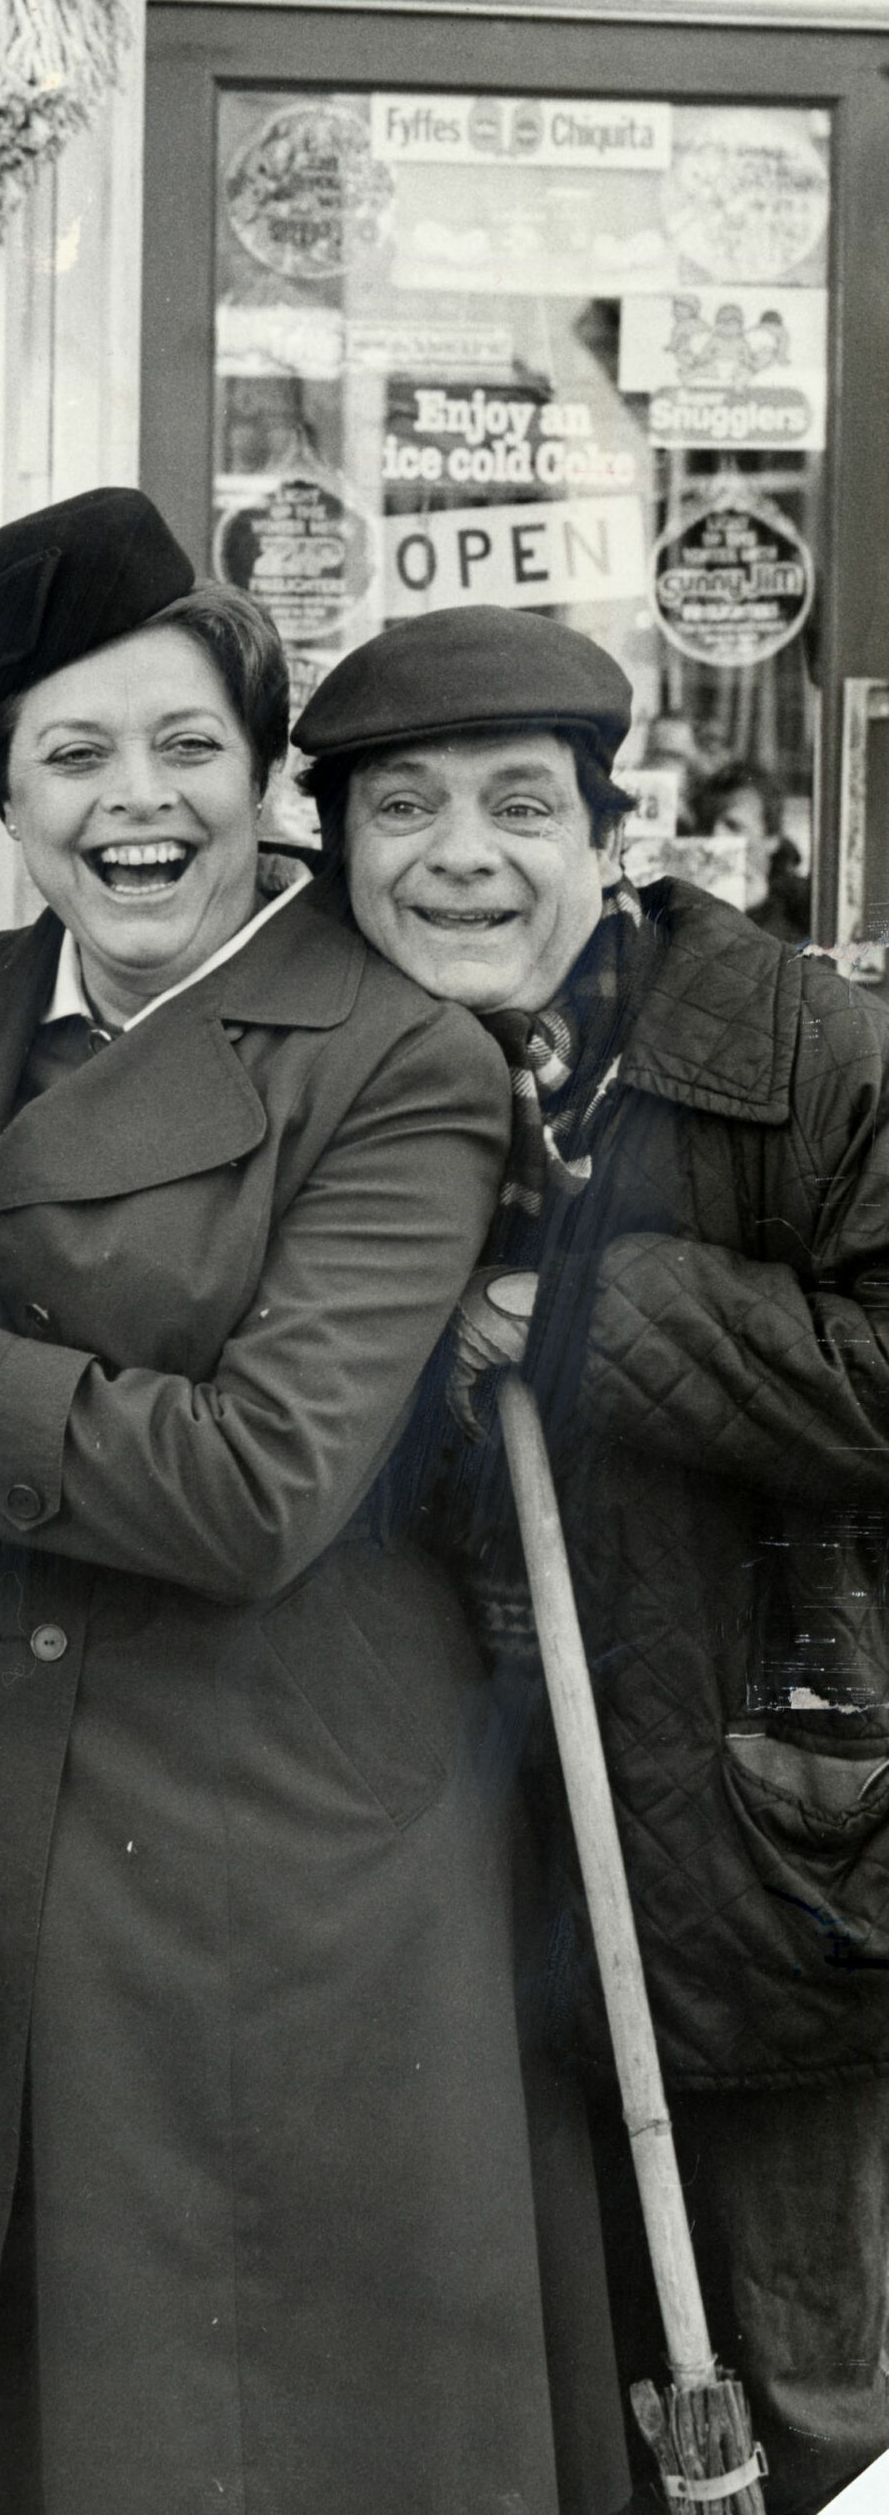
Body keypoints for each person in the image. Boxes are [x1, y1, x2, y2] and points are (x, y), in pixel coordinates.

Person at [0, 490, 631, 2515]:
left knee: (248, 2422)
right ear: (1, 795)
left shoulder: (396, 1058)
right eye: (75, 753)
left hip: (272, 1852)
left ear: (257, 773)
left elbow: (257, 1483)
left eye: (188, 747)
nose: (139, 804)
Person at [296, 604, 889, 2515]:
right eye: (404, 808)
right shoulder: (314, 1073)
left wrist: (588, 1316)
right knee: (514, 2406)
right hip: (439, 1872)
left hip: (753, 1863)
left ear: (605, 833)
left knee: (801, 2402)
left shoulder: (795, 1047)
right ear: (336, 847)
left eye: (517, 805)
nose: (462, 855)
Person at [686, 758, 810, 943]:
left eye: (734, 826)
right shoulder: (683, 897)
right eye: (705, 826)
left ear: (772, 838)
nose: (715, 837)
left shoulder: (801, 904)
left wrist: (758, 912)